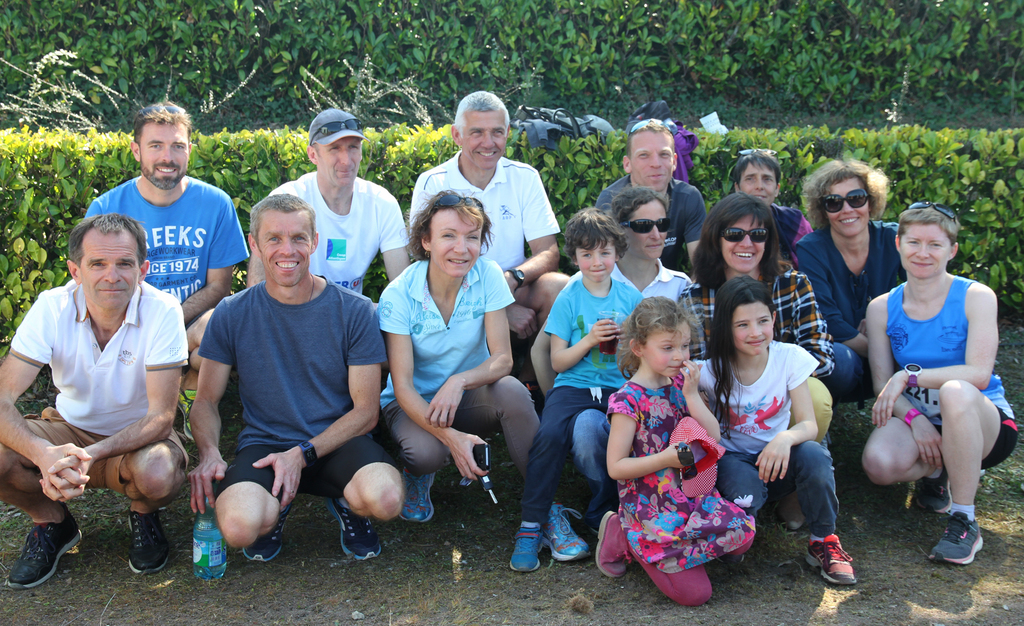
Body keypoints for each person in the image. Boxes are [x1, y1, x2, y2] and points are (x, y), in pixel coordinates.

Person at [188, 194, 403, 563]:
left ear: (314, 242)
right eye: (274, 238)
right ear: (255, 245)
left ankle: (347, 501)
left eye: (298, 238)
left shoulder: (354, 311)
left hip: (338, 443)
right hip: (266, 446)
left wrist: (301, 455)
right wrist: (209, 453)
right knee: (239, 528)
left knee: (386, 499)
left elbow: (366, 412)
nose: (287, 250)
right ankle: (274, 508)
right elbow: (206, 400)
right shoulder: (232, 313)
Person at [0, 213, 188, 588]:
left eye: (125, 264)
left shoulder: (164, 310)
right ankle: (52, 521)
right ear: (75, 270)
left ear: (143, 270)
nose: (111, 276)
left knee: (158, 473)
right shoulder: (51, 307)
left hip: (139, 438)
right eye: (98, 263)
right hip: (66, 428)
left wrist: (90, 454)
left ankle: (144, 514)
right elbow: (2, 396)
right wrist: (42, 453)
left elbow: (161, 418)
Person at [861, 202, 1017, 565]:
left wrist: (909, 376)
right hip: (923, 417)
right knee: (879, 464)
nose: (923, 253)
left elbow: (978, 374)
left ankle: (964, 519)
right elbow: (883, 385)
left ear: (952, 250)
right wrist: (915, 420)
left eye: (935, 244)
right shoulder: (882, 307)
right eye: (914, 242)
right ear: (898, 244)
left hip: (984, 422)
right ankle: (938, 470)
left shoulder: (976, 297)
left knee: (955, 390)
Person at [86, 102, 249, 437]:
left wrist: (172, 323)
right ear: (136, 151)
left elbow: (219, 286)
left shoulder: (216, 204)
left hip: (190, 323)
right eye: (155, 146)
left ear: (189, 150)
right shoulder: (107, 207)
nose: (167, 157)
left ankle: (188, 397)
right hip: (129, 324)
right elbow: (95, 286)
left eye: (177, 146)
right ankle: (156, 397)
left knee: (217, 327)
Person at [378, 192, 539, 526]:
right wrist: (452, 439)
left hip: (467, 395)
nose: (462, 249)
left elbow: (502, 360)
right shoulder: (398, 295)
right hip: (414, 402)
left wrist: (459, 381)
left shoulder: (488, 274)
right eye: (448, 236)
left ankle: (545, 504)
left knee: (512, 391)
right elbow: (403, 386)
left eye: (472, 237)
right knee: (427, 454)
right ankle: (417, 472)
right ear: (426, 241)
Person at [598, 297, 755, 606]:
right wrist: (666, 459)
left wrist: (692, 395)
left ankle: (684, 551)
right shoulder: (628, 401)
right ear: (638, 348)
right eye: (668, 347)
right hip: (651, 507)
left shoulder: (682, 384)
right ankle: (625, 535)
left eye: (684, 346)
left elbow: (713, 437)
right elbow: (615, 467)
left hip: (692, 494)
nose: (680, 356)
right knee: (695, 595)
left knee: (743, 538)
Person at [700, 276, 857, 585]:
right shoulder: (710, 370)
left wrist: (786, 437)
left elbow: (809, 425)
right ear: (725, 328)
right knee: (743, 508)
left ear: (773, 318)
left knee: (814, 455)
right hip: (733, 460)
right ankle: (737, 530)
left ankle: (823, 539)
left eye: (762, 321)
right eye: (742, 325)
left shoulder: (789, 357)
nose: (755, 332)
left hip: (779, 460)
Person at [511, 208, 643, 573]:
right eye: (587, 254)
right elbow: (557, 361)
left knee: (632, 435)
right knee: (549, 435)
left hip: (617, 387)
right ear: (575, 257)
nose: (596, 262)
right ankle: (531, 525)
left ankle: (613, 513)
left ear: (618, 252)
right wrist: (589, 340)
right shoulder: (569, 296)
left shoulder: (631, 297)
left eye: (604, 253)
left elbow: (641, 358)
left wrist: (629, 350)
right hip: (573, 385)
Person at [411, 91, 568, 394]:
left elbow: (548, 251)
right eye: (477, 133)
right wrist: (497, 307)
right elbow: (427, 263)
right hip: (454, 298)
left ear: (508, 132)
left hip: (513, 290)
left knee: (559, 287)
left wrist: (513, 278)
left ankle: (529, 382)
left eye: (497, 132)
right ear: (457, 135)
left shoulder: (524, 177)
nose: (489, 142)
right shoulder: (433, 182)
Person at [685, 193, 835, 440]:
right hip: (722, 392)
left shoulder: (793, 284)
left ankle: (801, 449)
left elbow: (821, 354)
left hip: (785, 388)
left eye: (757, 234)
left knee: (816, 396)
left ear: (769, 241)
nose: (747, 243)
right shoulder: (695, 296)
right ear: (716, 239)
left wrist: (772, 381)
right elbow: (691, 362)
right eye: (734, 234)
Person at [247, 108, 409, 294]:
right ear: (312, 155)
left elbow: (402, 286)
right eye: (334, 149)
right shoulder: (285, 201)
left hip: (351, 311)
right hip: (291, 308)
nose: (346, 161)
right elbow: (257, 288)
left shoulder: (381, 203)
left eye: (353, 147)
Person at [796, 159, 904, 403]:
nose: (846, 209)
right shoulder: (811, 249)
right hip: (847, 355)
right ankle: (824, 407)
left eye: (856, 198)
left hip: (892, 345)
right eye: (834, 202)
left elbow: (922, 295)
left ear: (870, 201)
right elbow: (827, 320)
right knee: (839, 360)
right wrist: (882, 350)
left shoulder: (893, 238)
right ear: (823, 210)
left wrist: (882, 325)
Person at [596, 118, 706, 271]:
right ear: (627, 164)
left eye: (664, 154)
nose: (656, 163)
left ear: (674, 161)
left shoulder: (688, 198)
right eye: (644, 155)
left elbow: (702, 266)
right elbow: (601, 267)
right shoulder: (610, 200)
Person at [731, 149, 812, 268]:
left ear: (777, 189)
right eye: (750, 179)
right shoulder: (725, 222)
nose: (759, 186)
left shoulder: (794, 221)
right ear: (737, 188)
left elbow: (812, 264)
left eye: (767, 179)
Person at [611, 185, 692, 299]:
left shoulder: (681, 285)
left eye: (662, 224)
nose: (656, 235)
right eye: (644, 226)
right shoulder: (592, 283)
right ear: (620, 229)